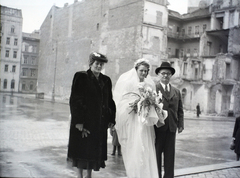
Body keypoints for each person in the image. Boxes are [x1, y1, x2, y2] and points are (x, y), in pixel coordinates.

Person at [114, 58, 167, 178]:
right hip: (134, 121)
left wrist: (151, 104)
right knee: (135, 147)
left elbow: (154, 101)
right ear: (136, 69)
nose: (144, 73)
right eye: (141, 70)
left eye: (146, 71)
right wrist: (136, 103)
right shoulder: (129, 83)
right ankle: (134, 174)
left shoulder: (149, 85)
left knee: (147, 147)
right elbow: (122, 102)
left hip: (145, 123)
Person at [67, 52, 116, 178]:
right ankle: (79, 176)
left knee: (92, 153)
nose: (99, 66)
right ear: (91, 63)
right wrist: (78, 122)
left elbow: (109, 100)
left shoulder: (106, 80)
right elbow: (75, 100)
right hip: (84, 123)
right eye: (97, 63)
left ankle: (89, 176)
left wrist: (111, 118)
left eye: (101, 64)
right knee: (82, 152)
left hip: (99, 124)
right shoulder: (81, 77)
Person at [154, 61, 184, 178]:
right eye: (163, 73)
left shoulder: (176, 91)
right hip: (158, 128)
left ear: (171, 75)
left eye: (168, 73)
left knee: (170, 156)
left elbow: (180, 109)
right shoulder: (153, 89)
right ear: (159, 75)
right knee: (156, 155)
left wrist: (180, 124)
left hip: (171, 128)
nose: (165, 76)